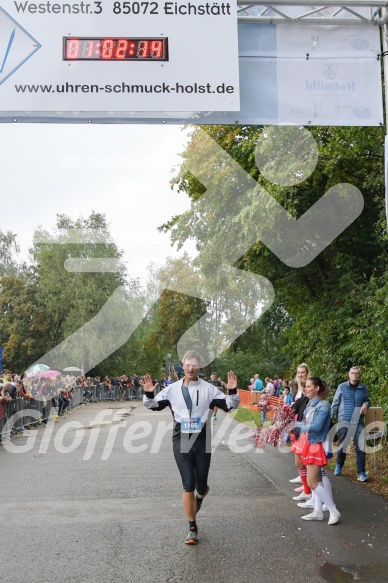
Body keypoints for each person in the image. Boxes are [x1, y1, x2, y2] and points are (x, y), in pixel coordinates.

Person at [142, 350, 240, 545]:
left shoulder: (209, 389)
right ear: (183, 366)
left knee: (200, 485)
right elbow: (152, 405)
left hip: (203, 439)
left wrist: (232, 390)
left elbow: (230, 406)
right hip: (181, 439)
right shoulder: (172, 389)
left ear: (199, 368)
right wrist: (148, 391)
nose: (191, 368)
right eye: (188, 365)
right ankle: (192, 527)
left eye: (194, 365)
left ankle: (201, 495)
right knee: (188, 483)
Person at [294, 377, 341, 525]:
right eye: (305, 387)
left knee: (312, 482)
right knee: (317, 481)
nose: (306, 389)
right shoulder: (309, 404)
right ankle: (318, 511)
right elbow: (305, 423)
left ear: (317, 388)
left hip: (315, 445)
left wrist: (297, 426)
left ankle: (333, 510)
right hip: (309, 443)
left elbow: (316, 427)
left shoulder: (324, 406)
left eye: (309, 386)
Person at [331, 366, 370, 482]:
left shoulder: (363, 388)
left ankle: (361, 472)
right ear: (349, 374)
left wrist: (366, 404)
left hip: (358, 422)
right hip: (345, 420)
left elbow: (367, 400)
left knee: (361, 447)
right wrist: (330, 418)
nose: (355, 375)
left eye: (357, 373)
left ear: (360, 375)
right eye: (353, 373)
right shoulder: (341, 387)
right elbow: (335, 402)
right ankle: (339, 466)